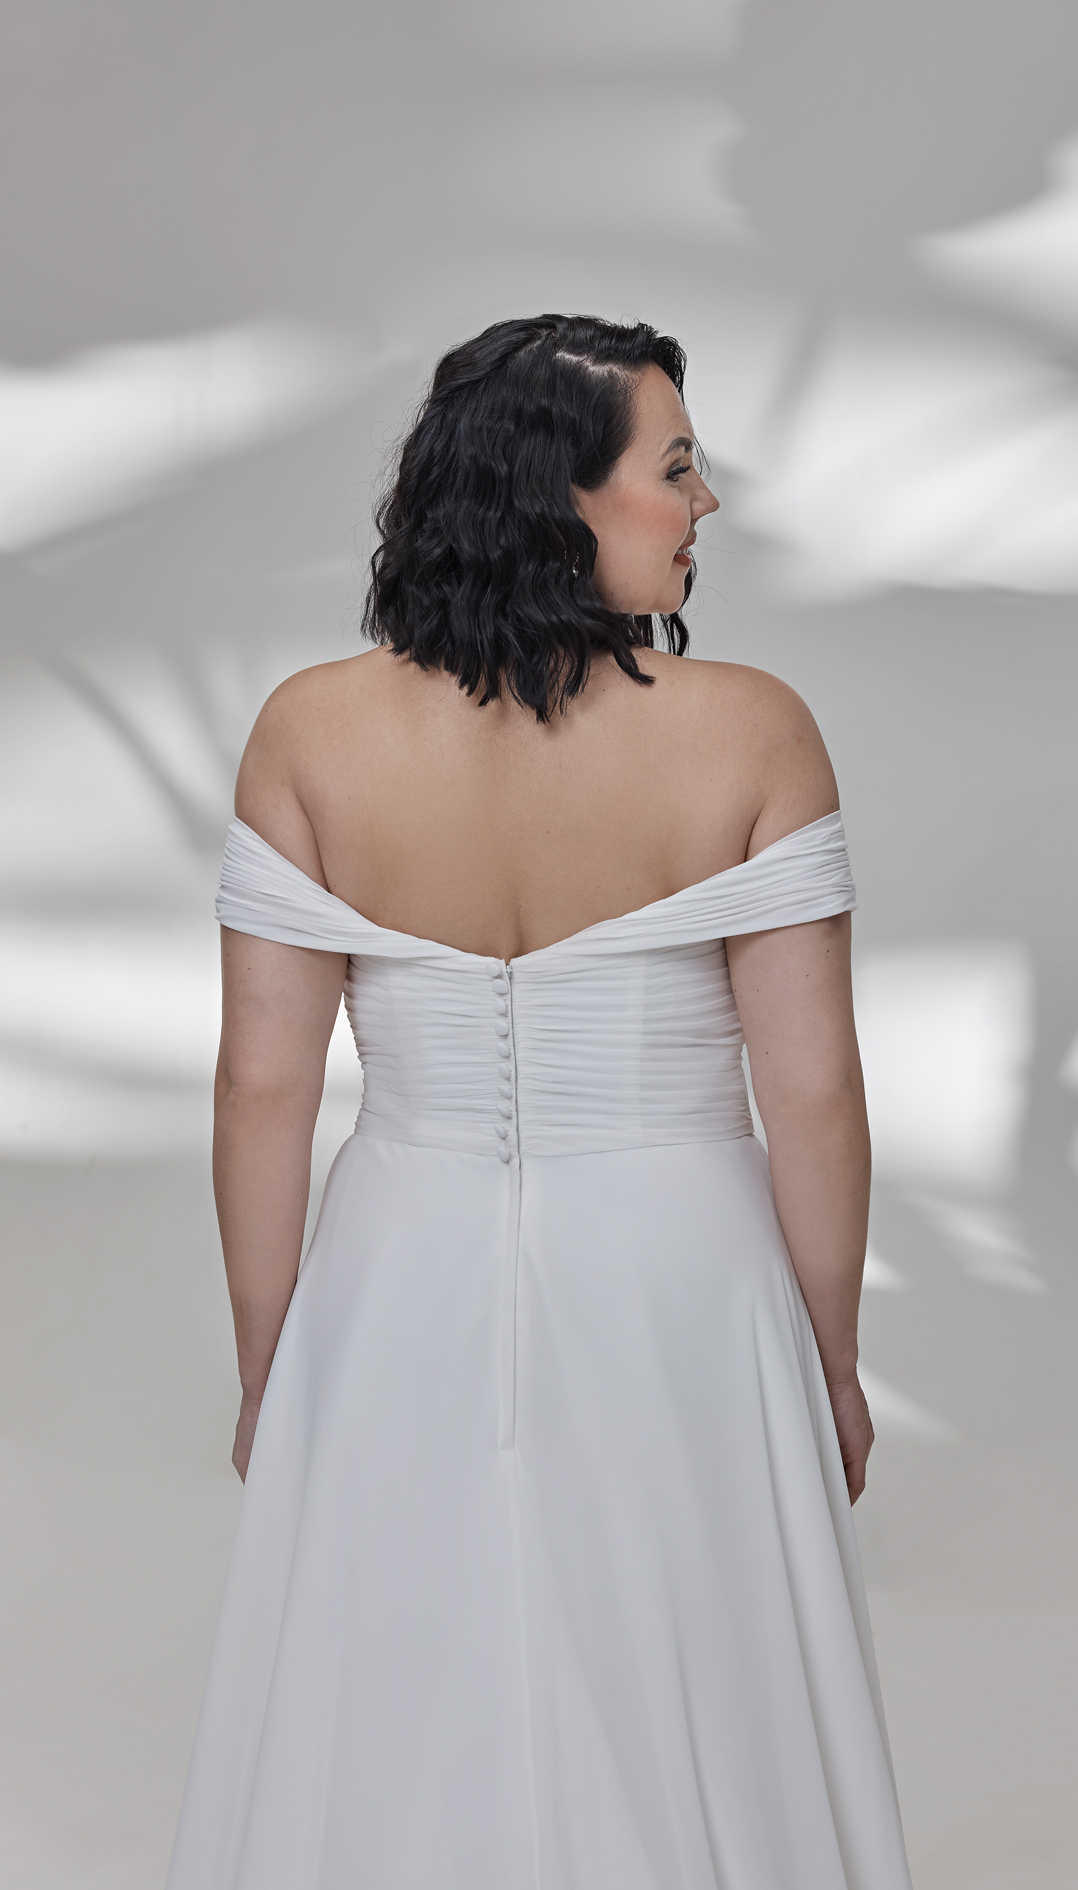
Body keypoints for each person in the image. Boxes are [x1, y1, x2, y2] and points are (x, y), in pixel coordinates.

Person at [166, 314, 914, 1889]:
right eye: (676, 466)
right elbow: (814, 1087)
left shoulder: (311, 730)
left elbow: (262, 1081)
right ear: (559, 492)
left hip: (395, 1269)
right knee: (688, 1677)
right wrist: (832, 1359)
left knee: (401, 1679)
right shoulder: (752, 730)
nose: (706, 502)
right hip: (682, 1275)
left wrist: (271, 1362)